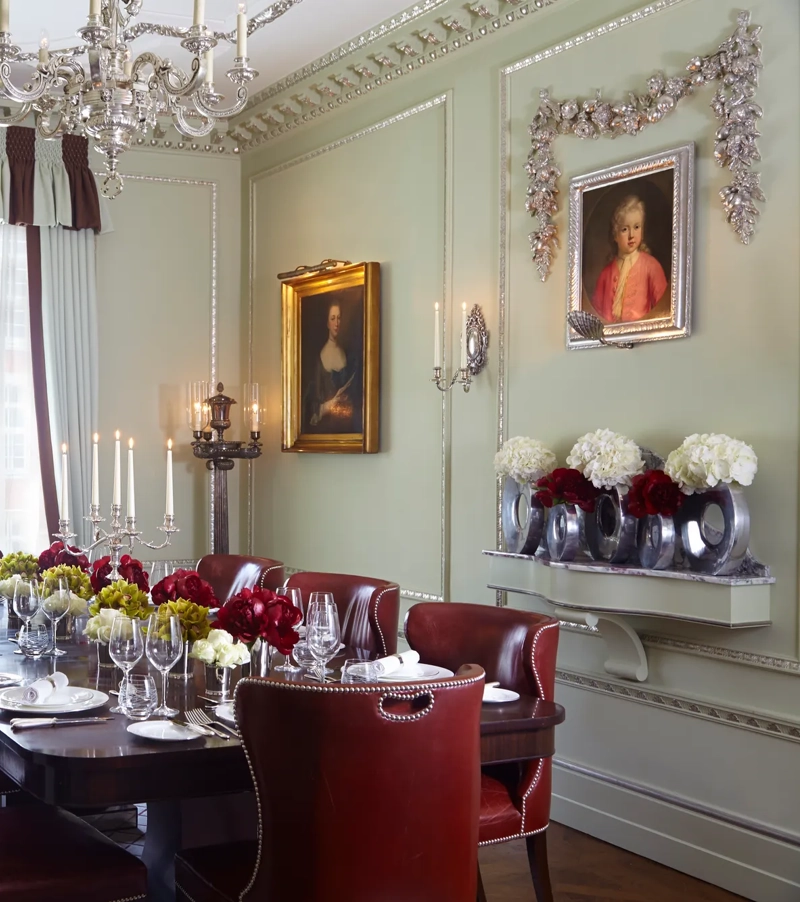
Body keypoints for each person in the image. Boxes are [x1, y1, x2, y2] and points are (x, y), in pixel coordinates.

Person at [591, 194, 668, 323]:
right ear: (615, 235)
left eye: (636, 227)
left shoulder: (651, 266)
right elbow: (596, 316)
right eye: (625, 229)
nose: (631, 235)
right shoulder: (606, 274)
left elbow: (663, 308)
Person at [304, 300, 361, 434]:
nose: (336, 323)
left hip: (348, 428)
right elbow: (313, 409)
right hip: (326, 428)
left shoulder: (347, 353)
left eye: (339, 318)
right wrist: (332, 403)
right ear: (327, 323)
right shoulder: (320, 357)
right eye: (333, 318)